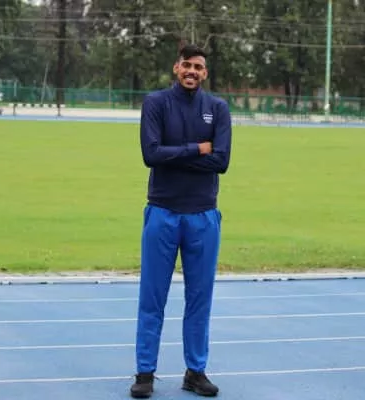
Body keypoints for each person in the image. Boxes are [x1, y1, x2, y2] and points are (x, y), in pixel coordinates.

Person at [130, 44, 232, 399]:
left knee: (200, 298)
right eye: (186, 65)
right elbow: (150, 154)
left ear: (205, 73)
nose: (192, 71)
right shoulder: (156, 103)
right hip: (162, 212)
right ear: (177, 68)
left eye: (198, 67)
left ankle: (195, 371)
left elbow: (221, 161)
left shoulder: (217, 108)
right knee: (152, 297)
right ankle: (145, 372)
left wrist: (173, 155)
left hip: (203, 215)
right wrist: (196, 149)